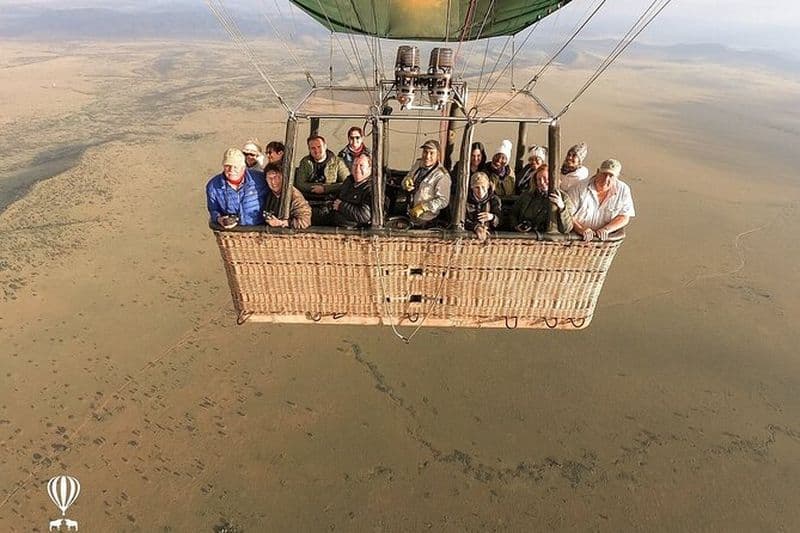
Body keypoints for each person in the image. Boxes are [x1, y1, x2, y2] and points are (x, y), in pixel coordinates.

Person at [570, 158, 634, 241]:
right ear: (597, 172)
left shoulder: (623, 190)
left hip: (603, 242)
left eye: (611, 176)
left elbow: (624, 216)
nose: (606, 179)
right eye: (604, 174)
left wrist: (607, 229)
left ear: (617, 177)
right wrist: (580, 229)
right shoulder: (579, 188)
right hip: (577, 237)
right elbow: (567, 214)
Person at [206, 148, 267, 228]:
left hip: (259, 230)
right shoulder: (213, 186)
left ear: (243, 167)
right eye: (228, 166)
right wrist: (220, 219)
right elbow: (213, 210)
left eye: (235, 167)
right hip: (233, 234)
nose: (231, 170)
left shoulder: (260, 179)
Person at [510, 164, 574, 234]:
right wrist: (516, 226)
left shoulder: (564, 198)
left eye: (545, 178)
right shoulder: (527, 195)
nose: (542, 182)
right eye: (539, 179)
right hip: (525, 237)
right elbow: (513, 214)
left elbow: (566, 228)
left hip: (550, 240)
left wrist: (562, 208)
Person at [401, 139, 451, 227]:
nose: (427, 156)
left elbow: (443, 201)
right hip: (409, 215)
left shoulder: (442, 175)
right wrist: (406, 182)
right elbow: (407, 178)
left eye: (431, 153)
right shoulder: (418, 163)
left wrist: (423, 207)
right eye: (425, 152)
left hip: (427, 221)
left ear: (438, 155)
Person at [295, 135, 349, 199]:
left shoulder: (337, 162)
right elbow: (300, 183)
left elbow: (347, 183)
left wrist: (325, 188)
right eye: (313, 148)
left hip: (330, 199)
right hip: (308, 198)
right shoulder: (305, 162)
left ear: (325, 146)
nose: (316, 150)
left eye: (319, 147)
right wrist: (316, 187)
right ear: (309, 149)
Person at [262, 163, 312, 229]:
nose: (273, 182)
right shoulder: (269, 195)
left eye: (277, 177)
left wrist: (283, 223)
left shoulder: (294, 196)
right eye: (270, 178)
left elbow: (305, 221)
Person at [332, 153, 373, 228]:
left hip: (355, 231)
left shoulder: (371, 189)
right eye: (355, 165)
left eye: (361, 166)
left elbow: (365, 216)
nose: (357, 169)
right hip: (334, 222)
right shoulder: (349, 181)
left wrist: (341, 206)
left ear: (370, 168)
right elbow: (337, 198)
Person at [465, 172, 502, 241]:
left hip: (491, 238)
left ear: (488, 186)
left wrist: (492, 217)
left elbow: (501, 221)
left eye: (483, 187)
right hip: (470, 239)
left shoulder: (494, 200)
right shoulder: (465, 200)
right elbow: (462, 219)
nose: (480, 191)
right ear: (471, 187)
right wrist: (476, 227)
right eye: (477, 187)